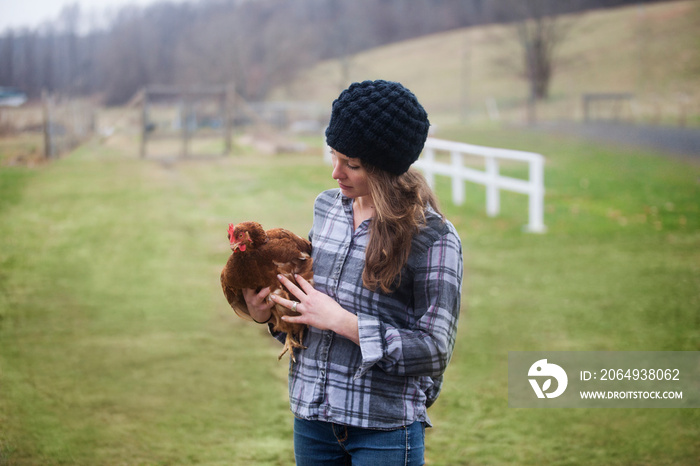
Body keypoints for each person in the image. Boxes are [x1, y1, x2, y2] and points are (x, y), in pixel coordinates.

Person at [243, 80, 463, 465]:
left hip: (383, 429)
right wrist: (269, 314)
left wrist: (344, 322)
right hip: (313, 422)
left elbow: (433, 350)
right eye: (334, 156)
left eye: (352, 165)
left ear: (386, 169)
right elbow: (307, 313)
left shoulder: (434, 236)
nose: (335, 173)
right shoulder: (327, 210)